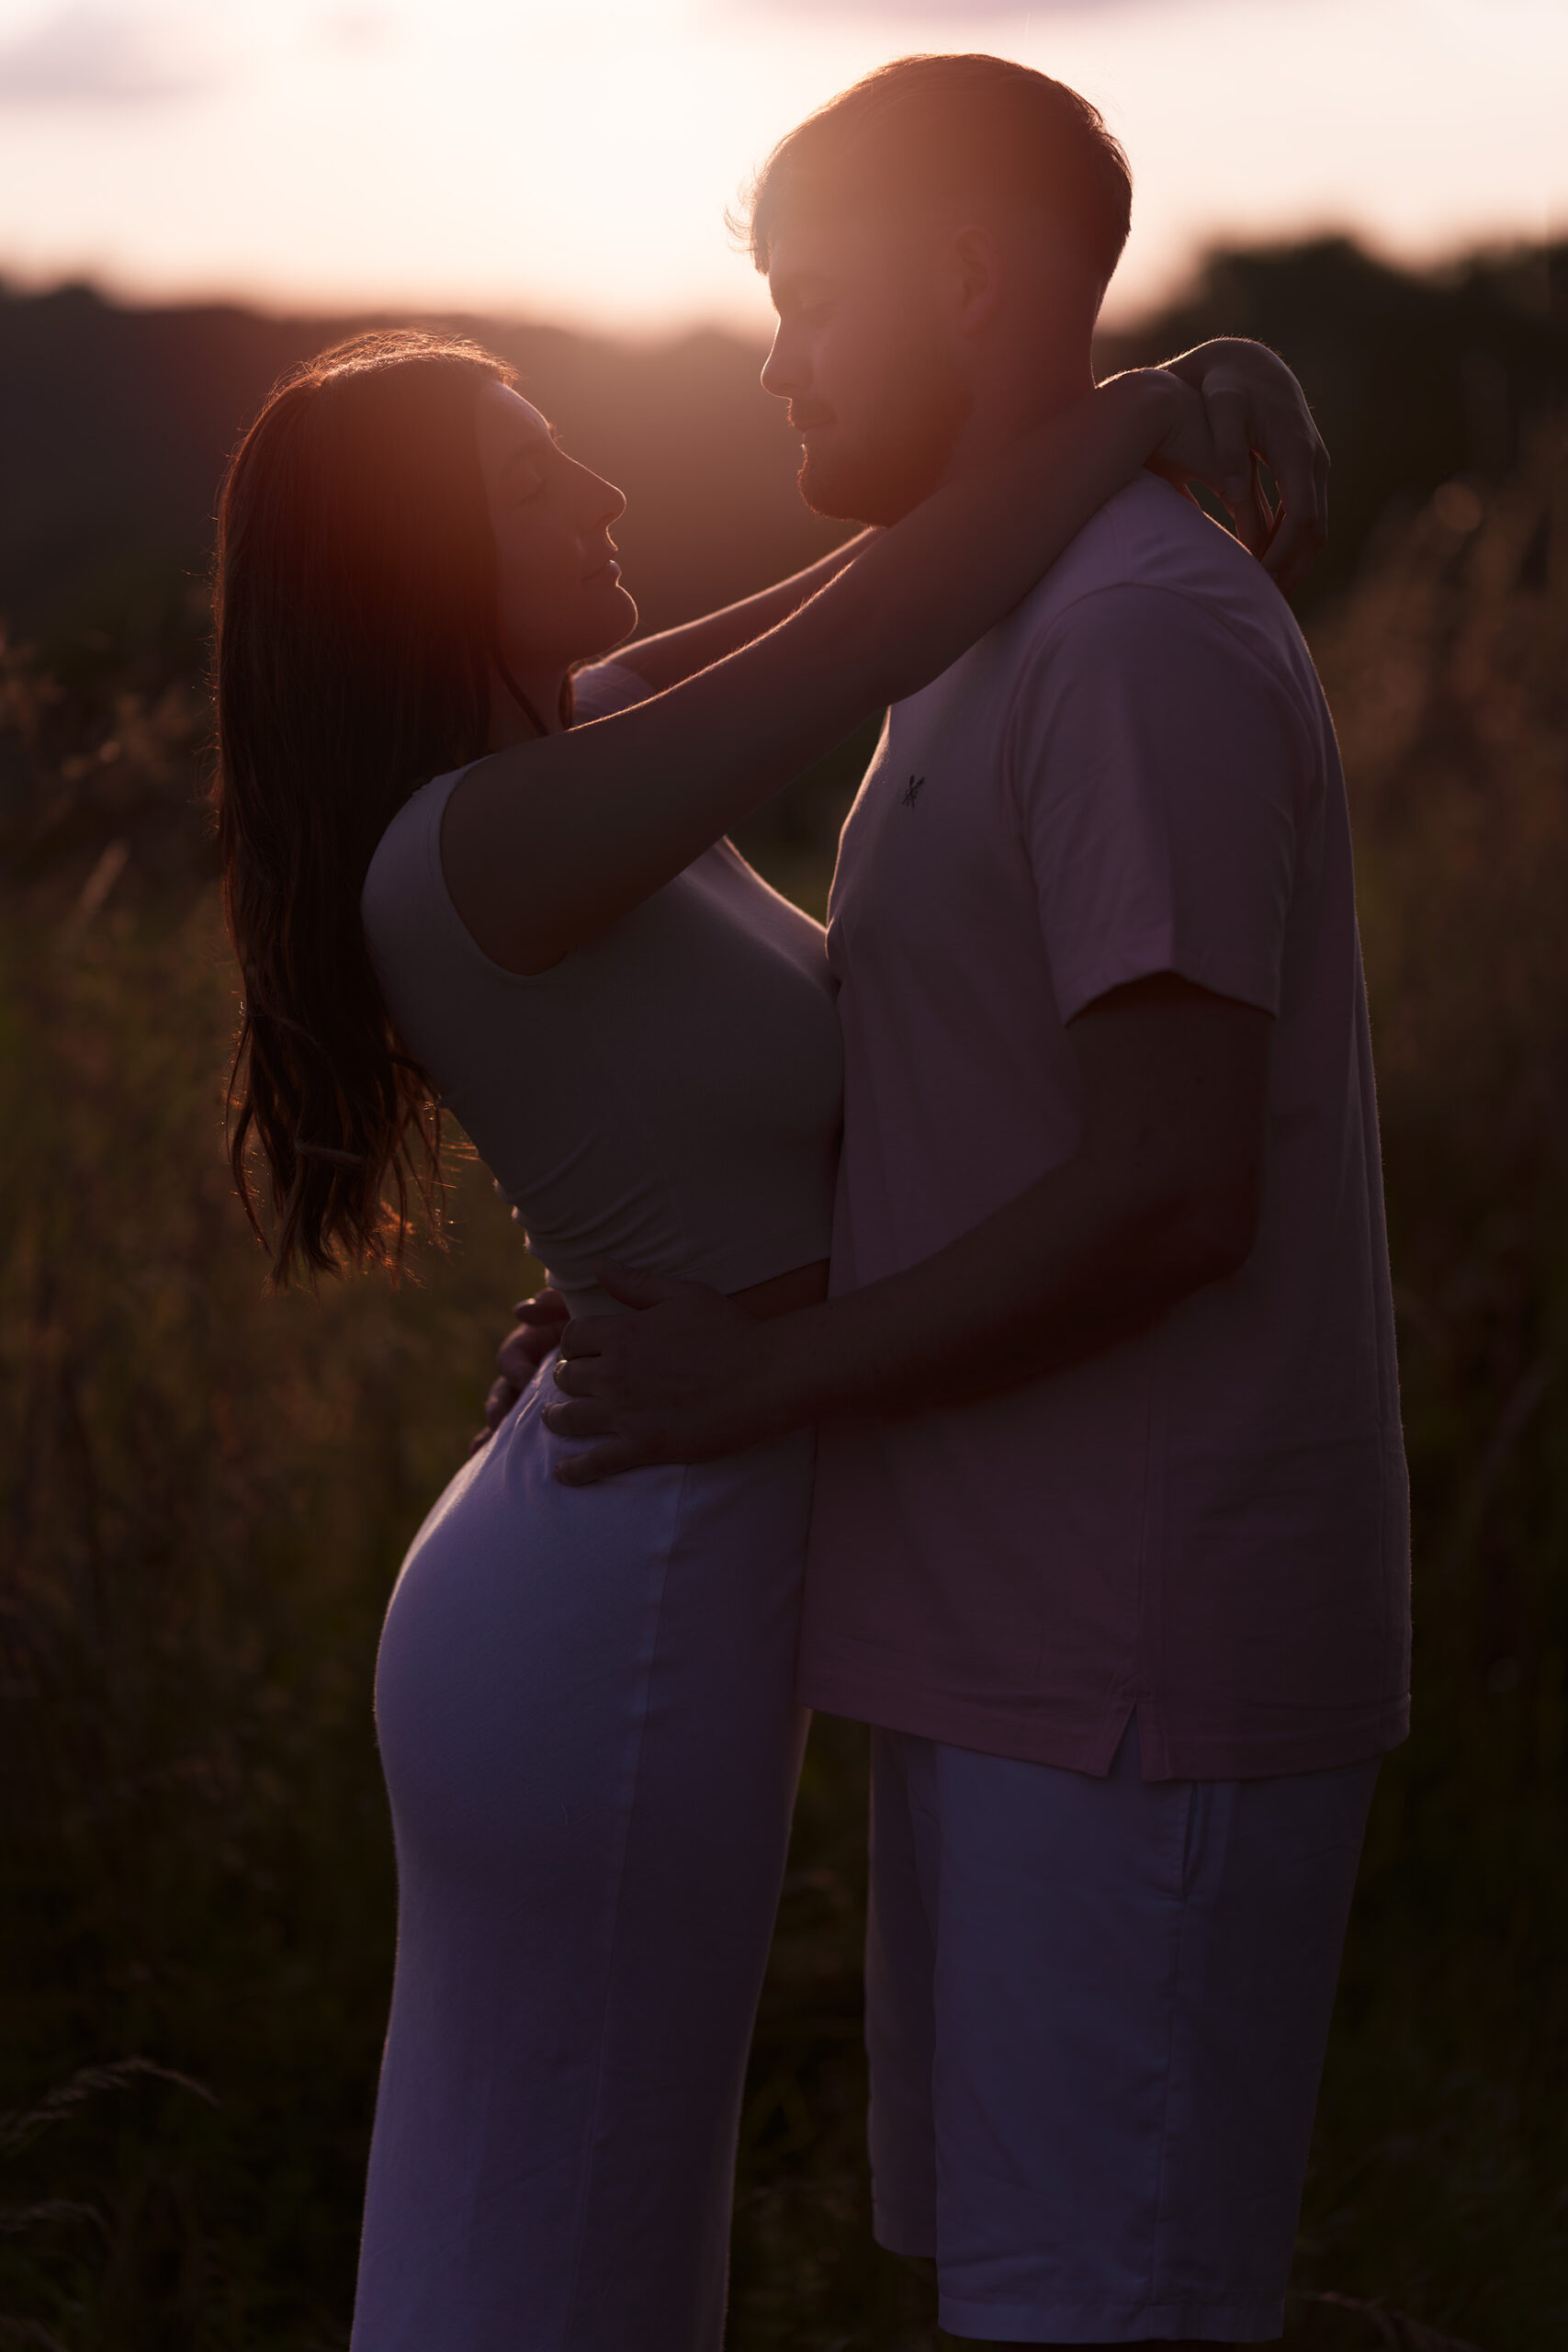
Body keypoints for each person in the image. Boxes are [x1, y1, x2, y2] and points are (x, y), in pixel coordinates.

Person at [212, 198, 1318, 2352]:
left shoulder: (567, 754)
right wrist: (1139, 410)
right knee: (557, 2205)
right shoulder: (486, 839)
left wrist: (1123, 417)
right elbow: (867, 627)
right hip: (623, 1574)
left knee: (570, 2195)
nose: (606, 486)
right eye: (536, 483)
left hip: (647, 1507)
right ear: (417, 566)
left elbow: (850, 593)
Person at [523, 51, 1410, 2352]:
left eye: (812, 301)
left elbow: (1164, 1193)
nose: (772, 357)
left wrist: (755, 1375)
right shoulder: (984, 627)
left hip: (1135, 1677)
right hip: (1009, 1651)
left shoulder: (1132, 640)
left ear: (966, 275)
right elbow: (996, 1129)